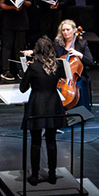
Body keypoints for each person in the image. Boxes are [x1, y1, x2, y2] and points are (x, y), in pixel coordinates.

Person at [19, 36, 67, 185]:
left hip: (37, 105)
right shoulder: (58, 65)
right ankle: (52, 175)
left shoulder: (34, 67)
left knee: (36, 141)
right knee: (51, 141)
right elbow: (63, 78)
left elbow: (23, 88)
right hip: (53, 103)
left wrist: (28, 71)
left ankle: (34, 176)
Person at [0, 0, 31, 80]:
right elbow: (1, 4)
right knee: (7, 46)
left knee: (20, 46)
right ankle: (6, 70)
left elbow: (30, 3)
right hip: (9, 19)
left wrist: (24, 2)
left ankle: (20, 69)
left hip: (22, 19)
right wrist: (13, 7)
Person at [54, 19, 94, 109]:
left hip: (77, 76)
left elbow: (90, 62)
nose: (65, 32)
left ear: (74, 30)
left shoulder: (81, 44)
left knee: (79, 85)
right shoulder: (58, 44)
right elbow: (53, 58)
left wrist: (79, 54)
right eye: (63, 30)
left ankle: (81, 110)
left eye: (68, 30)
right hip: (62, 77)